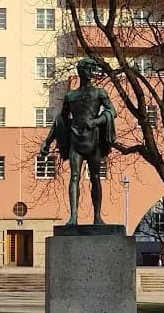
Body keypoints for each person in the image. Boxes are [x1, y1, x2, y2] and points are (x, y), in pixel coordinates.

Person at [40, 58, 116, 226]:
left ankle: (97, 216)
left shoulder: (99, 93)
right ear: (81, 71)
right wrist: (48, 141)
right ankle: (73, 216)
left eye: (91, 68)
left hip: (93, 140)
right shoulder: (71, 95)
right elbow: (61, 120)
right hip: (76, 139)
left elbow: (112, 111)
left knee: (95, 177)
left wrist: (96, 122)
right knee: (74, 177)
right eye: (87, 68)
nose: (90, 72)